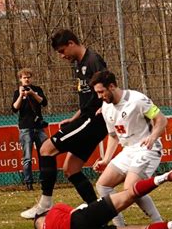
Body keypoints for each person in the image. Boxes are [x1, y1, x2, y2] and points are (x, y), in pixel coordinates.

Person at [21, 29, 108, 218]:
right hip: (86, 118)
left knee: (46, 149)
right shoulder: (79, 65)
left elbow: (107, 87)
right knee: (71, 169)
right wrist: (75, 117)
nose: (62, 56)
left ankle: (45, 203)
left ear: (71, 43)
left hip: (94, 121)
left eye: (62, 51)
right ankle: (98, 212)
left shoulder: (93, 60)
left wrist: (106, 108)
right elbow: (89, 99)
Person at [33, 163, 172, 229]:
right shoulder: (55, 211)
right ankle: (163, 177)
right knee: (130, 193)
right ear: (44, 216)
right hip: (80, 218)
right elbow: (76, 210)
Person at [91, 70, 168, 228]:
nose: (99, 97)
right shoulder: (106, 107)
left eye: (101, 92)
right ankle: (119, 228)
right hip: (128, 151)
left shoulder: (137, 100)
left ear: (111, 86)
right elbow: (113, 136)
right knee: (103, 185)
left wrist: (153, 137)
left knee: (130, 188)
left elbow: (161, 120)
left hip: (147, 149)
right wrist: (106, 159)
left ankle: (158, 225)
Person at [12, 68, 48, 190]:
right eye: (24, 77)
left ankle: (44, 180)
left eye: (28, 77)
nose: (26, 79)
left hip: (38, 127)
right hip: (25, 128)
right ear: (20, 79)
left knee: (44, 154)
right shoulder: (17, 92)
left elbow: (43, 102)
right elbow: (15, 108)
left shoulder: (37, 90)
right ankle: (28, 182)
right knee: (27, 157)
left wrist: (32, 93)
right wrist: (21, 95)